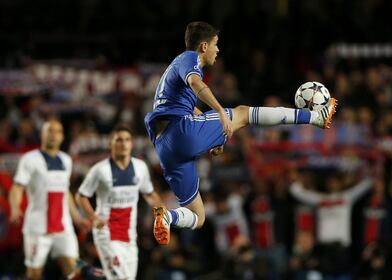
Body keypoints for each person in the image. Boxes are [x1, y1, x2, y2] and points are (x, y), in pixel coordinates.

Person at [144, 21, 337, 245]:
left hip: (165, 148)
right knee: (243, 114)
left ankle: (167, 216)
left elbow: (188, 108)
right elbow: (196, 83)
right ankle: (315, 118)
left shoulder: (172, 72)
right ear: (204, 46)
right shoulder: (189, 58)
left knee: (198, 216)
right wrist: (219, 112)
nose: (218, 50)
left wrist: (208, 137)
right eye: (216, 44)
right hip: (180, 131)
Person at [76, 125, 164, 280]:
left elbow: (150, 195)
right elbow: (81, 196)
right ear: (110, 143)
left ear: (131, 144)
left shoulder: (140, 167)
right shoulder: (99, 170)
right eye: (119, 140)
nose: (123, 144)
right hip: (106, 233)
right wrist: (93, 217)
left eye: (127, 140)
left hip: (129, 235)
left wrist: (161, 214)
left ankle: (88, 273)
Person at [8, 119, 90, 280]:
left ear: (62, 137)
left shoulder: (66, 160)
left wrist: (77, 219)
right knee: (34, 275)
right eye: (49, 130)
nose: (53, 135)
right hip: (37, 228)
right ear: (42, 134)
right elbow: (17, 187)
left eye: (57, 131)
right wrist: (15, 207)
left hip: (63, 227)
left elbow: (65, 192)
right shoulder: (30, 159)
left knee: (75, 272)